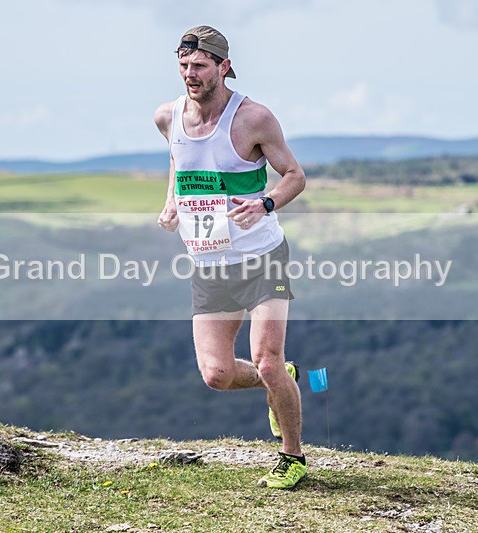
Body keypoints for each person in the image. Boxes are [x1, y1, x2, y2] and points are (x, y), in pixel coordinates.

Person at [154, 25, 307, 489]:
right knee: (217, 375)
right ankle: (282, 380)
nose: (189, 75)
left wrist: (264, 204)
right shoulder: (166, 117)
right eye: (183, 66)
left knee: (265, 359)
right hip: (209, 262)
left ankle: (292, 458)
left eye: (199, 66)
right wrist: (172, 201)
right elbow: (179, 159)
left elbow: (295, 176)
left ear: (223, 67)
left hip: (262, 256)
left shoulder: (254, 118)